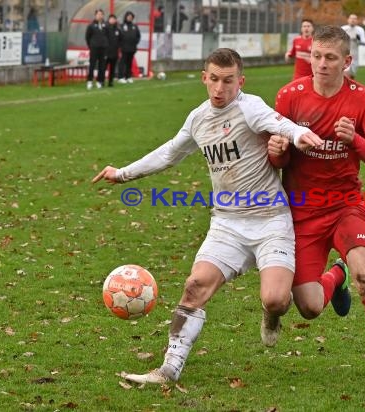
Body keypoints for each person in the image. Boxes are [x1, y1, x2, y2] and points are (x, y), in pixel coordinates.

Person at [92, 48, 323, 385]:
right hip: (227, 223)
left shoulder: (249, 107)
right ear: (204, 78)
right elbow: (171, 152)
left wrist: (300, 135)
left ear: (239, 81)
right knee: (194, 286)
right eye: (213, 79)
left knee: (275, 299)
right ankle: (169, 369)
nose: (219, 88)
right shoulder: (198, 118)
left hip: (270, 221)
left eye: (228, 81)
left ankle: (272, 315)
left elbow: (280, 124)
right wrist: (123, 173)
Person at [268, 25, 365, 391]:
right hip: (302, 211)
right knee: (310, 307)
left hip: (346, 205)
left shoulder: (364, 99)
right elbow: (276, 161)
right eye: (316, 56)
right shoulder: (289, 97)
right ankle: (336, 275)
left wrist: (354, 139)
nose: (322, 64)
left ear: (347, 61)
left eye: (331, 58)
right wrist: (277, 153)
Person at [85, 9, 108, 90]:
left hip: (103, 48)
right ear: (95, 15)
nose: (100, 16)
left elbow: (108, 36)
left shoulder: (105, 25)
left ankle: (99, 81)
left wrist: (105, 45)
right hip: (94, 48)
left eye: (101, 14)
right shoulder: (91, 26)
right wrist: (91, 46)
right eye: (98, 14)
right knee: (92, 64)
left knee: (102, 66)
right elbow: (87, 37)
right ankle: (90, 81)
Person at [341, 14, 365, 79]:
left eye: (354, 19)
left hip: (355, 56)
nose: (353, 20)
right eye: (351, 18)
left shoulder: (360, 30)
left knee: (352, 75)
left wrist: (358, 40)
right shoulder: (343, 28)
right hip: (344, 55)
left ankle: (350, 88)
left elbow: (364, 42)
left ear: (357, 21)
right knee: (346, 74)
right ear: (348, 20)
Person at [118, 11, 141, 84]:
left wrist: (135, 42)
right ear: (125, 17)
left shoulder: (135, 26)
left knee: (129, 63)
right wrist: (121, 45)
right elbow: (119, 37)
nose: (129, 18)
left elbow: (138, 36)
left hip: (132, 48)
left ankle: (128, 77)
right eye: (128, 16)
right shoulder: (121, 26)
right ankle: (121, 77)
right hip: (124, 48)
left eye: (131, 17)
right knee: (122, 63)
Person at [105, 14, 121, 87]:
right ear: (108, 20)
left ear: (115, 20)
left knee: (112, 68)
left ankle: (110, 82)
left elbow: (121, 40)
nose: (112, 20)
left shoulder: (118, 29)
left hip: (114, 52)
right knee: (103, 67)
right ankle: (101, 81)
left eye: (114, 19)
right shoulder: (105, 28)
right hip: (106, 52)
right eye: (111, 19)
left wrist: (119, 49)